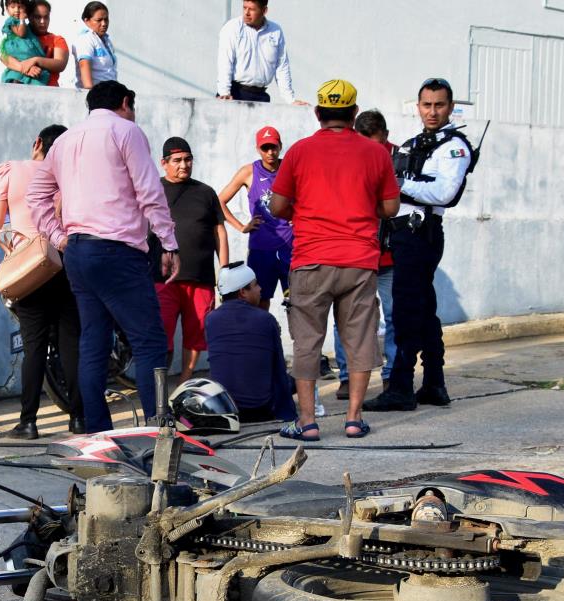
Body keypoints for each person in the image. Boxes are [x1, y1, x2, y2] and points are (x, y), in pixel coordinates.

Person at [27, 80, 180, 433]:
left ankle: (98, 432)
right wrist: (169, 243)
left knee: (93, 342)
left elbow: (36, 195)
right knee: (149, 341)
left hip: (79, 251)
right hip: (117, 250)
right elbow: (149, 191)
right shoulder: (126, 131)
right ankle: (159, 430)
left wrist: (59, 237)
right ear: (126, 102)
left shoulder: (64, 141)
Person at [269, 79, 399, 441]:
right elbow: (391, 207)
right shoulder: (376, 153)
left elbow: (278, 206)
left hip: (310, 258)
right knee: (359, 339)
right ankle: (354, 419)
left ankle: (308, 422)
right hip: (359, 260)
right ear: (354, 114)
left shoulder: (299, 152)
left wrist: (307, 208)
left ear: (318, 113)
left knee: (308, 341)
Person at [364, 78, 471, 413]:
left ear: (450, 107)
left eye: (439, 105)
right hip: (401, 234)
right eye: (427, 105)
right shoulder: (412, 144)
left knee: (409, 310)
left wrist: (398, 184)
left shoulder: (455, 146)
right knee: (424, 310)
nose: (433, 111)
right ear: (418, 106)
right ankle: (434, 382)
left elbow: (443, 193)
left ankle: (400, 386)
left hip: (420, 233)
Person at [0, 124, 84, 441]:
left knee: (34, 348)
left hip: (30, 268)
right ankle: (79, 419)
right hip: (66, 266)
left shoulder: (11, 170)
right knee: (71, 345)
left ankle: (28, 423)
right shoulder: (72, 177)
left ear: (37, 142)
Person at [333, 108, 398, 401]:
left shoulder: (399, 158)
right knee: (344, 319)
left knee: (394, 315)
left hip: (389, 255)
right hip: (354, 254)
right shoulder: (347, 157)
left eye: (376, 144)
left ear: (385, 136)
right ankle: (346, 377)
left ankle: (391, 376)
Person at [154, 137, 228, 382]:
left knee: (196, 335)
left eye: (187, 159)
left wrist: (225, 270)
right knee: (159, 334)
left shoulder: (205, 192)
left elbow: (219, 232)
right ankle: (159, 386)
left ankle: (186, 381)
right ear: (164, 163)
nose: (183, 165)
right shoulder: (152, 189)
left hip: (201, 277)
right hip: (160, 278)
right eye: (177, 160)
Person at [204, 261, 296, 423]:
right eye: (255, 285)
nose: (260, 289)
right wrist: (287, 411)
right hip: (261, 410)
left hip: (224, 409)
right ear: (243, 292)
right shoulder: (266, 319)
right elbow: (278, 370)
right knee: (296, 379)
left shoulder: (210, 320)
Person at [217, 125, 293, 312]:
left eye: (273, 147)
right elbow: (220, 201)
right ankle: (259, 339)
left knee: (295, 302)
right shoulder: (249, 171)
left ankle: (298, 341)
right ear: (258, 148)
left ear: (280, 146)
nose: (270, 152)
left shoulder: (290, 169)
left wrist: (299, 217)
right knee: (258, 301)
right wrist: (242, 226)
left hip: (290, 246)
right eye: (265, 148)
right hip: (262, 248)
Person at [216, 1, 306, 105]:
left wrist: (291, 100)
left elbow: (282, 67)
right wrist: (224, 92)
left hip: (262, 97)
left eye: (252, 9)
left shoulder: (275, 31)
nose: (246, 13)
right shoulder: (232, 28)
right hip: (234, 95)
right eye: (244, 8)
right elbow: (225, 62)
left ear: (264, 10)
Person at [0, 1, 50, 85]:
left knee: (35, 74)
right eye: (13, 7)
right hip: (18, 50)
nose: (17, 10)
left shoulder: (27, 26)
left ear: (25, 8)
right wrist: (22, 20)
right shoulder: (12, 21)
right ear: (7, 10)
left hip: (26, 50)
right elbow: (21, 33)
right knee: (18, 73)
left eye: (20, 7)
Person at [71, 2, 117, 90]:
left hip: (109, 93)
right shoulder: (85, 39)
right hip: (97, 96)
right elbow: (84, 66)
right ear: (86, 21)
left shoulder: (106, 40)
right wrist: (92, 95)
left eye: (106, 19)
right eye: (99, 20)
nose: (104, 24)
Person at [29, 1, 70, 87]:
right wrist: (22, 68)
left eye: (46, 17)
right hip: (22, 90)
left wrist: (36, 60)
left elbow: (60, 64)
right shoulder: (21, 38)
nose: (42, 22)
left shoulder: (57, 40)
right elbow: (4, 57)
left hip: (51, 92)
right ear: (29, 17)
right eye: (38, 17)